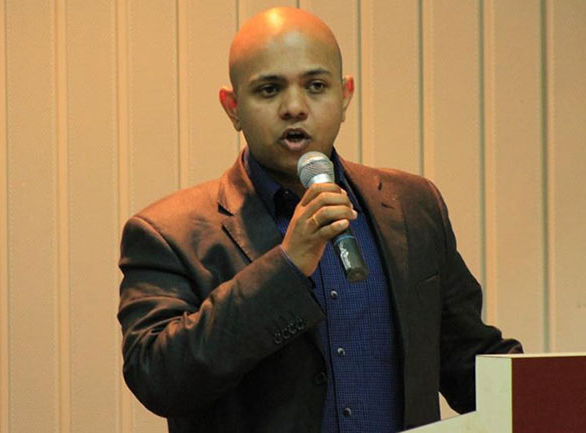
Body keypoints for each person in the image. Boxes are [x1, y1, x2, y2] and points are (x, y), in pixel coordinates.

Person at [118, 7, 521, 433]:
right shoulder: (168, 233)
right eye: (269, 89)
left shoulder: (413, 206)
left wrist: (556, 392)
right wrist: (286, 267)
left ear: (345, 95)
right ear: (232, 107)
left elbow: (467, 361)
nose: (295, 107)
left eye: (315, 86)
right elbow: (158, 378)